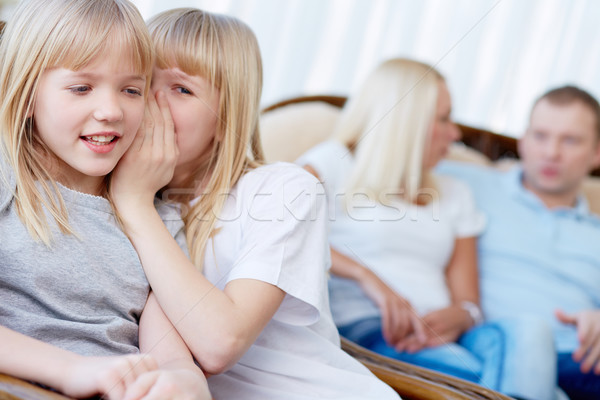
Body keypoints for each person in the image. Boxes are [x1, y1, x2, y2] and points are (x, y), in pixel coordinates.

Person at [107, 7, 400, 400]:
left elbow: (219, 344)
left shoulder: (284, 191)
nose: (152, 105)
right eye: (140, 83)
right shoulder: (108, 189)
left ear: (226, 115)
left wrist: (136, 203)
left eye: (182, 89)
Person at [296, 58, 558, 399]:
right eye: (444, 118)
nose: (456, 133)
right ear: (408, 122)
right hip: (377, 330)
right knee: (503, 380)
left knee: (532, 331)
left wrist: (460, 316)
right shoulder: (331, 163)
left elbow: (469, 301)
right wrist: (368, 277)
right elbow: (283, 234)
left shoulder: (455, 192)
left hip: (449, 337)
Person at [0, 1, 209, 399]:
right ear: (26, 94)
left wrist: (184, 381)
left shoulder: (156, 218)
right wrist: (71, 369)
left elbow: (171, 357)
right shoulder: (7, 175)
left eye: (131, 90)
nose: (111, 110)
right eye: (81, 87)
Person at [438, 85, 600, 400]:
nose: (552, 152)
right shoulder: (464, 184)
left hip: (580, 360)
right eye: (541, 136)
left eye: (570, 140)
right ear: (523, 141)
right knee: (528, 335)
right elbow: (384, 167)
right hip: (496, 345)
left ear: (596, 153)